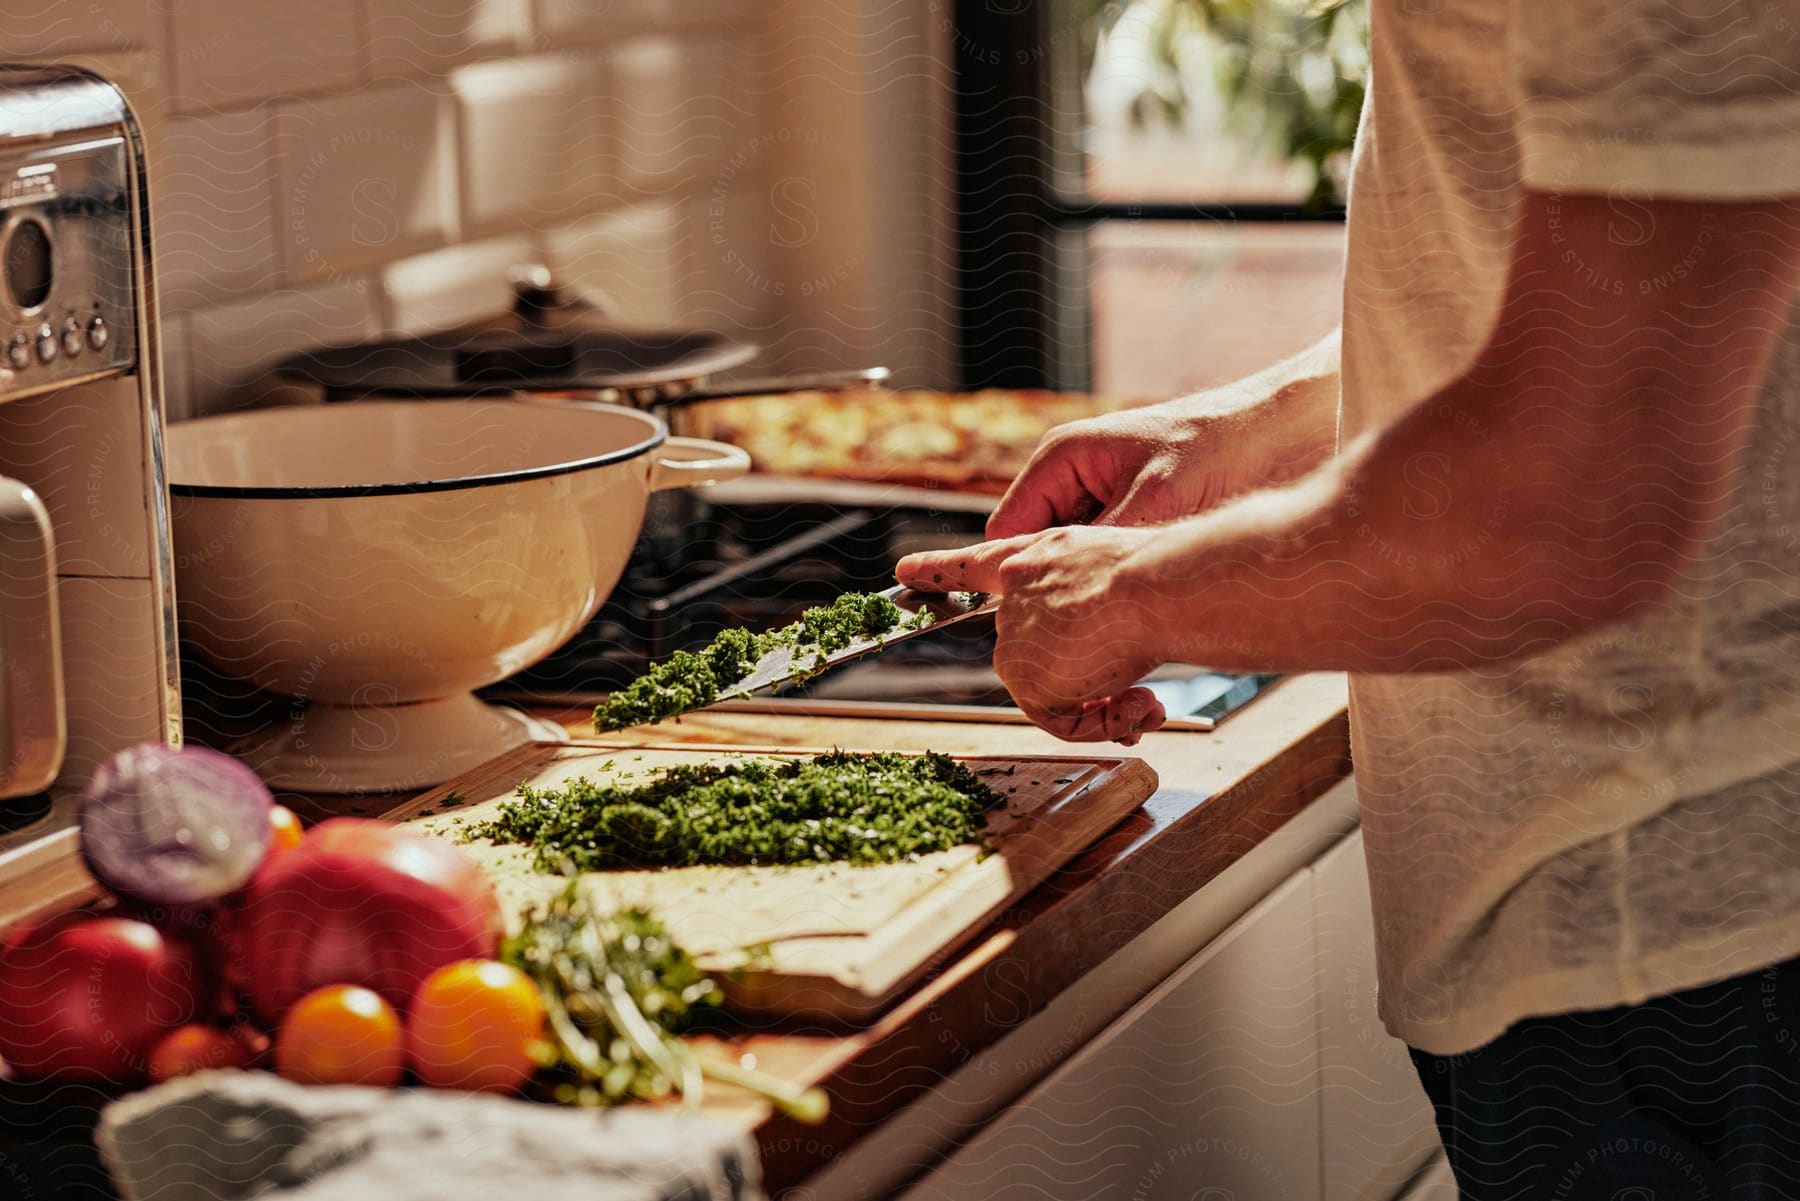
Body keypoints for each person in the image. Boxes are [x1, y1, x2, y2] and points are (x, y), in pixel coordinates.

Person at [896, 2, 1800, 1197]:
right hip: (1635, 904)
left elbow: (1577, 499)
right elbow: (1628, 286)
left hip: (1686, 937)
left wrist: (1128, 600)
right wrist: (1247, 430)